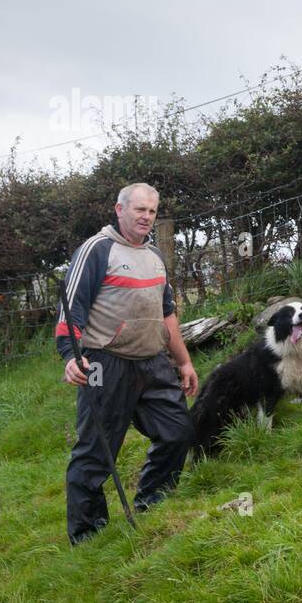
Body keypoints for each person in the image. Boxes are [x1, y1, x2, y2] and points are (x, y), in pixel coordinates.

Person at [56, 182, 198, 544]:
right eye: (139, 210)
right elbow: (71, 311)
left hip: (153, 361)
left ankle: (154, 502)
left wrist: (184, 362)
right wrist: (72, 357)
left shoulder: (154, 256)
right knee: (95, 452)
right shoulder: (96, 250)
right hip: (105, 362)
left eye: (152, 211)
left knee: (177, 431)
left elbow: (167, 315)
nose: (146, 217)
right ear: (119, 210)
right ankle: (89, 536)